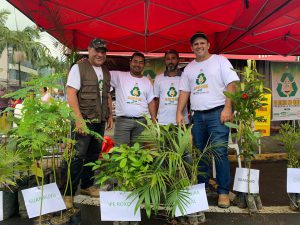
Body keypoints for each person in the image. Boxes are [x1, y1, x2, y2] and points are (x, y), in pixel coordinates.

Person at [176, 32, 239, 208]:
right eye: (195, 44)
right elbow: (184, 92)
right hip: (197, 116)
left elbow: (231, 85)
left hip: (218, 114)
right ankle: (201, 189)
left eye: (202, 43)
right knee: (200, 153)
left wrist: (228, 107)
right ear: (191, 48)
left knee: (219, 152)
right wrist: (179, 112)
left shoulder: (220, 61)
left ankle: (223, 192)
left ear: (208, 45)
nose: (199, 46)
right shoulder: (189, 68)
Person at [63, 38, 113, 208]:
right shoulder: (79, 68)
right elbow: (71, 94)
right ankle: (68, 193)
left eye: (103, 51)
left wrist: (110, 115)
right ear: (89, 49)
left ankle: (86, 186)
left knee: (93, 155)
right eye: (96, 50)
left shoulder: (106, 71)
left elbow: (107, 94)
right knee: (77, 157)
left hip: (99, 120)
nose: (100, 54)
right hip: (83, 121)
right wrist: (78, 120)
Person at [110, 52, 156, 146]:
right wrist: (86, 62)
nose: (137, 64)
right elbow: (100, 71)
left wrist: (153, 120)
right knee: (120, 152)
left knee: (138, 153)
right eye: (135, 61)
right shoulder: (119, 76)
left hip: (142, 122)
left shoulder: (146, 81)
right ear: (130, 62)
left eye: (140, 62)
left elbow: (151, 101)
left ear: (143, 65)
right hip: (123, 121)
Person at [153, 49, 189, 125]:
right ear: (165, 61)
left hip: (182, 121)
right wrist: (156, 117)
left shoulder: (185, 77)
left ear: (178, 60)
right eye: (168, 59)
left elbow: (189, 98)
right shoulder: (159, 78)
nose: (170, 61)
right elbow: (156, 101)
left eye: (173, 58)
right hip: (163, 121)